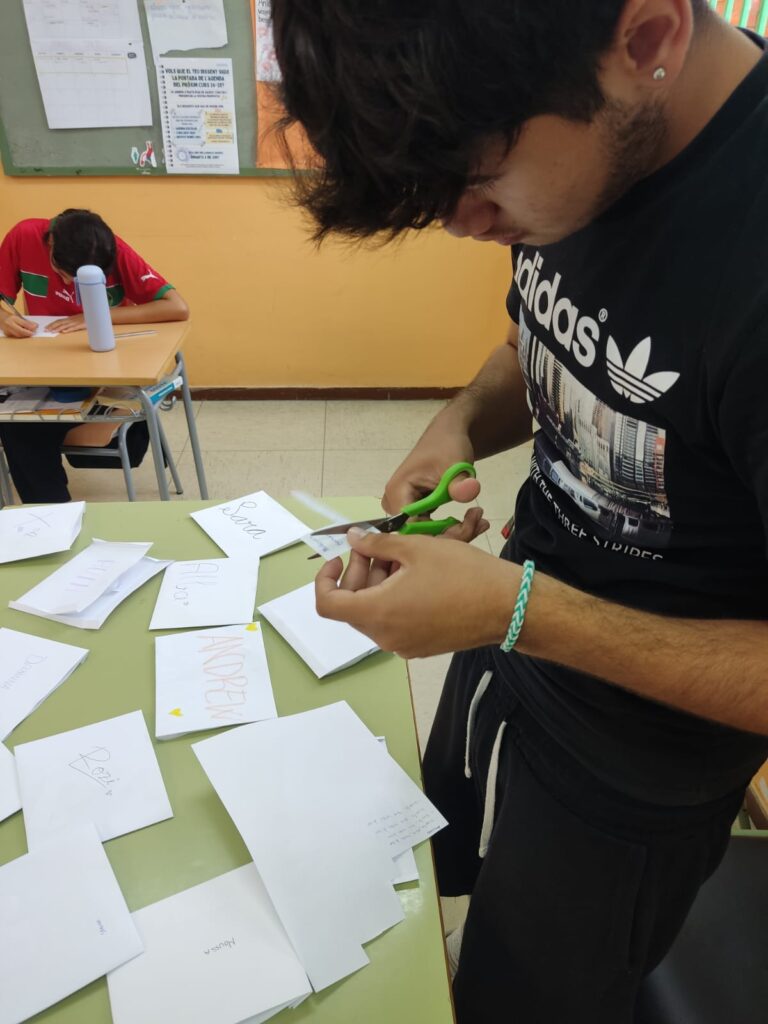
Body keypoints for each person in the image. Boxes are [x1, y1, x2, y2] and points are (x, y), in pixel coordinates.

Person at [270, 2, 768, 1022]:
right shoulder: (576, 132)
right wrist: (456, 423)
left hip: (634, 777)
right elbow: (539, 334)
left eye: (482, 185)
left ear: (647, 39)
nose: (466, 226)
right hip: (517, 650)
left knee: (526, 994)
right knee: (443, 896)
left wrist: (515, 609)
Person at [0, 208, 189, 502]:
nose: (67, 286)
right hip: (46, 365)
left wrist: (96, 316)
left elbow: (177, 307)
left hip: (105, 370)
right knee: (16, 422)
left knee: (21, 430)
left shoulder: (111, 249)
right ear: (50, 244)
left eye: (78, 281)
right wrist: (4, 318)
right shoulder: (24, 236)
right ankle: (53, 512)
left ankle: (52, 510)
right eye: (62, 274)